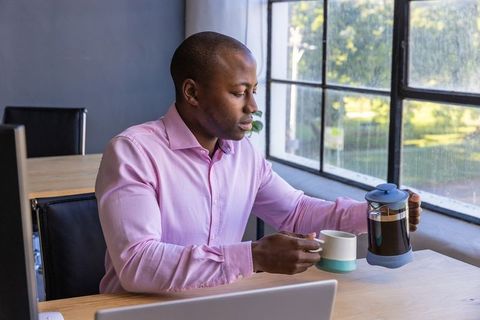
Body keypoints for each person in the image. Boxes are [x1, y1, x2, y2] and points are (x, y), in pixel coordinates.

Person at [95, 31, 421, 294]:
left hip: (224, 304)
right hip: (138, 311)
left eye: (254, 90)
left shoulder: (244, 154)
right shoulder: (133, 152)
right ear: (192, 93)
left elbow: (295, 212)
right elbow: (137, 264)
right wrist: (253, 256)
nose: (253, 106)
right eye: (239, 93)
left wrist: (376, 215)